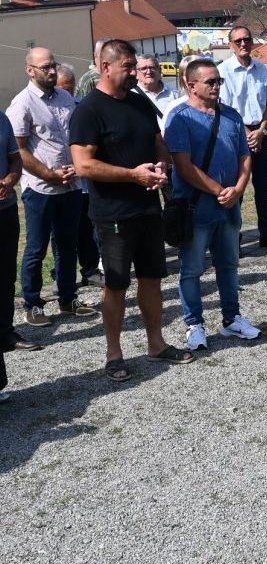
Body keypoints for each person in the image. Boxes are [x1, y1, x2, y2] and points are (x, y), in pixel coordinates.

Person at [70, 39, 195, 382]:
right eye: (127, 67)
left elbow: (157, 140)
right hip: (113, 212)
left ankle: (156, 343)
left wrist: (162, 165)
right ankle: (114, 353)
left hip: (147, 208)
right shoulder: (89, 110)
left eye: (134, 67)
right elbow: (83, 165)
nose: (133, 74)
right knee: (116, 284)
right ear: (105, 67)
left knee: (152, 278)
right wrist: (132, 175)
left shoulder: (139, 101)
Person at [164, 59, 259, 350]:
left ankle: (232, 318)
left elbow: (245, 156)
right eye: (211, 82)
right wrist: (220, 190)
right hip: (196, 208)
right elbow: (183, 165)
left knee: (229, 264)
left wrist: (238, 189)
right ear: (191, 85)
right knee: (192, 269)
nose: (217, 86)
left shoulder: (230, 115)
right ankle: (194, 324)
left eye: (219, 81)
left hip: (228, 207)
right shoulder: (180, 118)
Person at [6, 47, 98, 328]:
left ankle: (67, 298)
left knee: (68, 245)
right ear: (30, 70)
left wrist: (76, 167)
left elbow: (75, 137)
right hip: (41, 189)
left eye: (53, 65)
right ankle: (32, 304)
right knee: (37, 248)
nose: (51, 71)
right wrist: (50, 174)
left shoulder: (66, 97)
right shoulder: (22, 104)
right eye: (44, 67)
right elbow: (19, 150)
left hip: (71, 185)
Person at [219, 25, 267, 250]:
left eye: (247, 39)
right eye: (238, 40)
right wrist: (247, 134)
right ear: (230, 45)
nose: (243, 44)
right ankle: (233, 239)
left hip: (260, 131)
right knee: (236, 187)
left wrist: (262, 130)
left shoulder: (261, 68)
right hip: (235, 134)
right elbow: (224, 108)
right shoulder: (223, 71)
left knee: (263, 186)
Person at [55, 62, 104, 289]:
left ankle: (90, 269)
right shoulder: (46, 109)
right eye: (63, 88)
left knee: (87, 227)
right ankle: (61, 275)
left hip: (85, 182)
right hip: (59, 180)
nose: (68, 93)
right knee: (60, 233)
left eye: (70, 88)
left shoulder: (82, 107)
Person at [1, 110, 38, 404]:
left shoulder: (1, 119)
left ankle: (5, 332)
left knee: (5, 276)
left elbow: (15, 157)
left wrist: (11, 178)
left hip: (5, 210)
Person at [134, 54, 178, 131]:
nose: (149, 72)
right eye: (143, 68)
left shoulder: (174, 93)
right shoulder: (131, 95)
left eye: (152, 67)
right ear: (136, 74)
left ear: (160, 70)